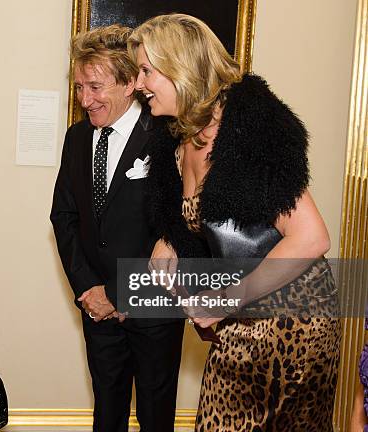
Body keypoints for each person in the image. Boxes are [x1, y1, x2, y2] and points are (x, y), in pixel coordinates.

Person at [129, 14, 340, 431]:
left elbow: (312, 237)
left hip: (292, 326)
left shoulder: (249, 129)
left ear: (181, 67)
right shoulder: (177, 136)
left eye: (146, 71)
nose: (137, 84)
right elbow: (197, 221)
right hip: (240, 320)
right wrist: (169, 240)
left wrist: (223, 301)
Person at [50, 24, 185, 432]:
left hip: (154, 307)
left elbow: (177, 226)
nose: (84, 99)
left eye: (94, 86)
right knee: (106, 412)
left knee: (154, 417)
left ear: (129, 83)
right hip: (97, 308)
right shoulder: (76, 138)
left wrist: (119, 293)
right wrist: (89, 290)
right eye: (78, 87)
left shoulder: (167, 136)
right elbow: (64, 217)